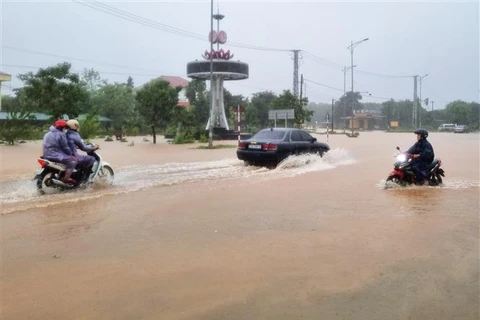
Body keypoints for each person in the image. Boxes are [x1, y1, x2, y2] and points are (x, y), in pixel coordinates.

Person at [42, 120, 78, 184]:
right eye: (65, 127)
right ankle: (67, 177)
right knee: (73, 160)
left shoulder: (48, 134)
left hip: (46, 154)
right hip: (55, 155)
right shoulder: (61, 134)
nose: (65, 129)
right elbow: (65, 147)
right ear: (62, 128)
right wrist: (71, 154)